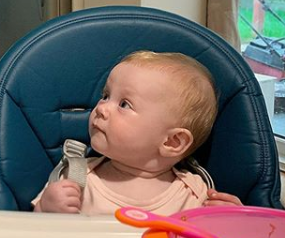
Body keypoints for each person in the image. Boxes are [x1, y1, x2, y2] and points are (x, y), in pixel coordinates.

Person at [33, 51, 243, 215]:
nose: (101, 108)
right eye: (105, 96)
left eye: (124, 104)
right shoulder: (76, 177)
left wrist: (231, 222)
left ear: (172, 141)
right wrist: (47, 208)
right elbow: (31, 236)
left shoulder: (195, 194)